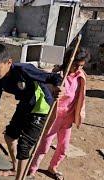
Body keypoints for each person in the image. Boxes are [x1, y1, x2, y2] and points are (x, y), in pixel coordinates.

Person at [0, 44, 63, 180]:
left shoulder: (23, 70)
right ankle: (15, 168)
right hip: (25, 104)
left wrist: (59, 87)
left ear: (9, 62)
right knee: (9, 136)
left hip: (41, 105)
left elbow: (53, 77)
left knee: (24, 146)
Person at [29, 48, 89, 180]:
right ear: (69, 61)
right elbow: (45, 85)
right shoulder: (57, 75)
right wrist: (54, 87)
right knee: (44, 145)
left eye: (81, 66)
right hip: (54, 116)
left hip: (68, 118)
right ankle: (32, 170)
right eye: (76, 64)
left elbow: (80, 96)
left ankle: (53, 167)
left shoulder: (80, 76)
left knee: (63, 147)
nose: (78, 68)